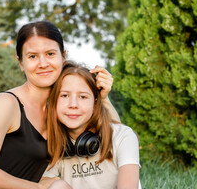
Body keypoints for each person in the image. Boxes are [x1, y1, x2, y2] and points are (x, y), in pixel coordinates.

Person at [0, 21, 119, 189]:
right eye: (32, 56)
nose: (43, 64)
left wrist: (103, 98)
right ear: (21, 63)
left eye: (50, 54)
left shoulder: (63, 108)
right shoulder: (7, 104)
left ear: (63, 56)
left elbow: (118, 140)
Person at [43, 61, 141, 189]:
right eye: (64, 95)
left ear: (95, 103)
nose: (73, 104)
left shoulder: (123, 136)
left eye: (83, 97)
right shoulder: (57, 144)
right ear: (54, 102)